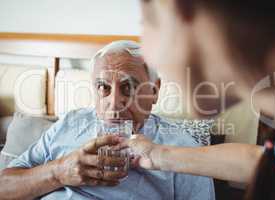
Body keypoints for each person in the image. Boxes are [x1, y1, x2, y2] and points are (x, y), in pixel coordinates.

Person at [116, 1, 275, 199]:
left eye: (146, 23)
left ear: (179, 8)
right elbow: (264, 160)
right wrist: (156, 155)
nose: (147, 55)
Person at [0, 41, 215, 200]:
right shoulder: (68, 123)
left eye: (129, 87)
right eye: (103, 87)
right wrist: (58, 172)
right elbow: (4, 187)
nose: (114, 103)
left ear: (154, 91)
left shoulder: (183, 149)